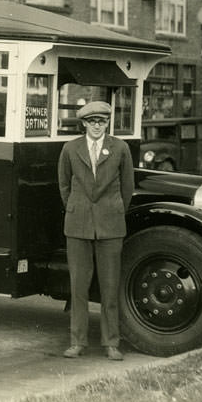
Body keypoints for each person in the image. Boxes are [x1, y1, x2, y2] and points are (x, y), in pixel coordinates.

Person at [57, 100, 133, 361]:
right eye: (92, 122)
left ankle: (111, 343)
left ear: (107, 123)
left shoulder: (120, 148)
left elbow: (127, 188)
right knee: (78, 287)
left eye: (101, 121)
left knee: (110, 287)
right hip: (77, 226)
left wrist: (112, 210)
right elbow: (64, 185)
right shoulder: (70, 148)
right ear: (84, 124)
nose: (97, 126)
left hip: (111, 226)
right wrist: (77, 209)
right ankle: (77, 342)